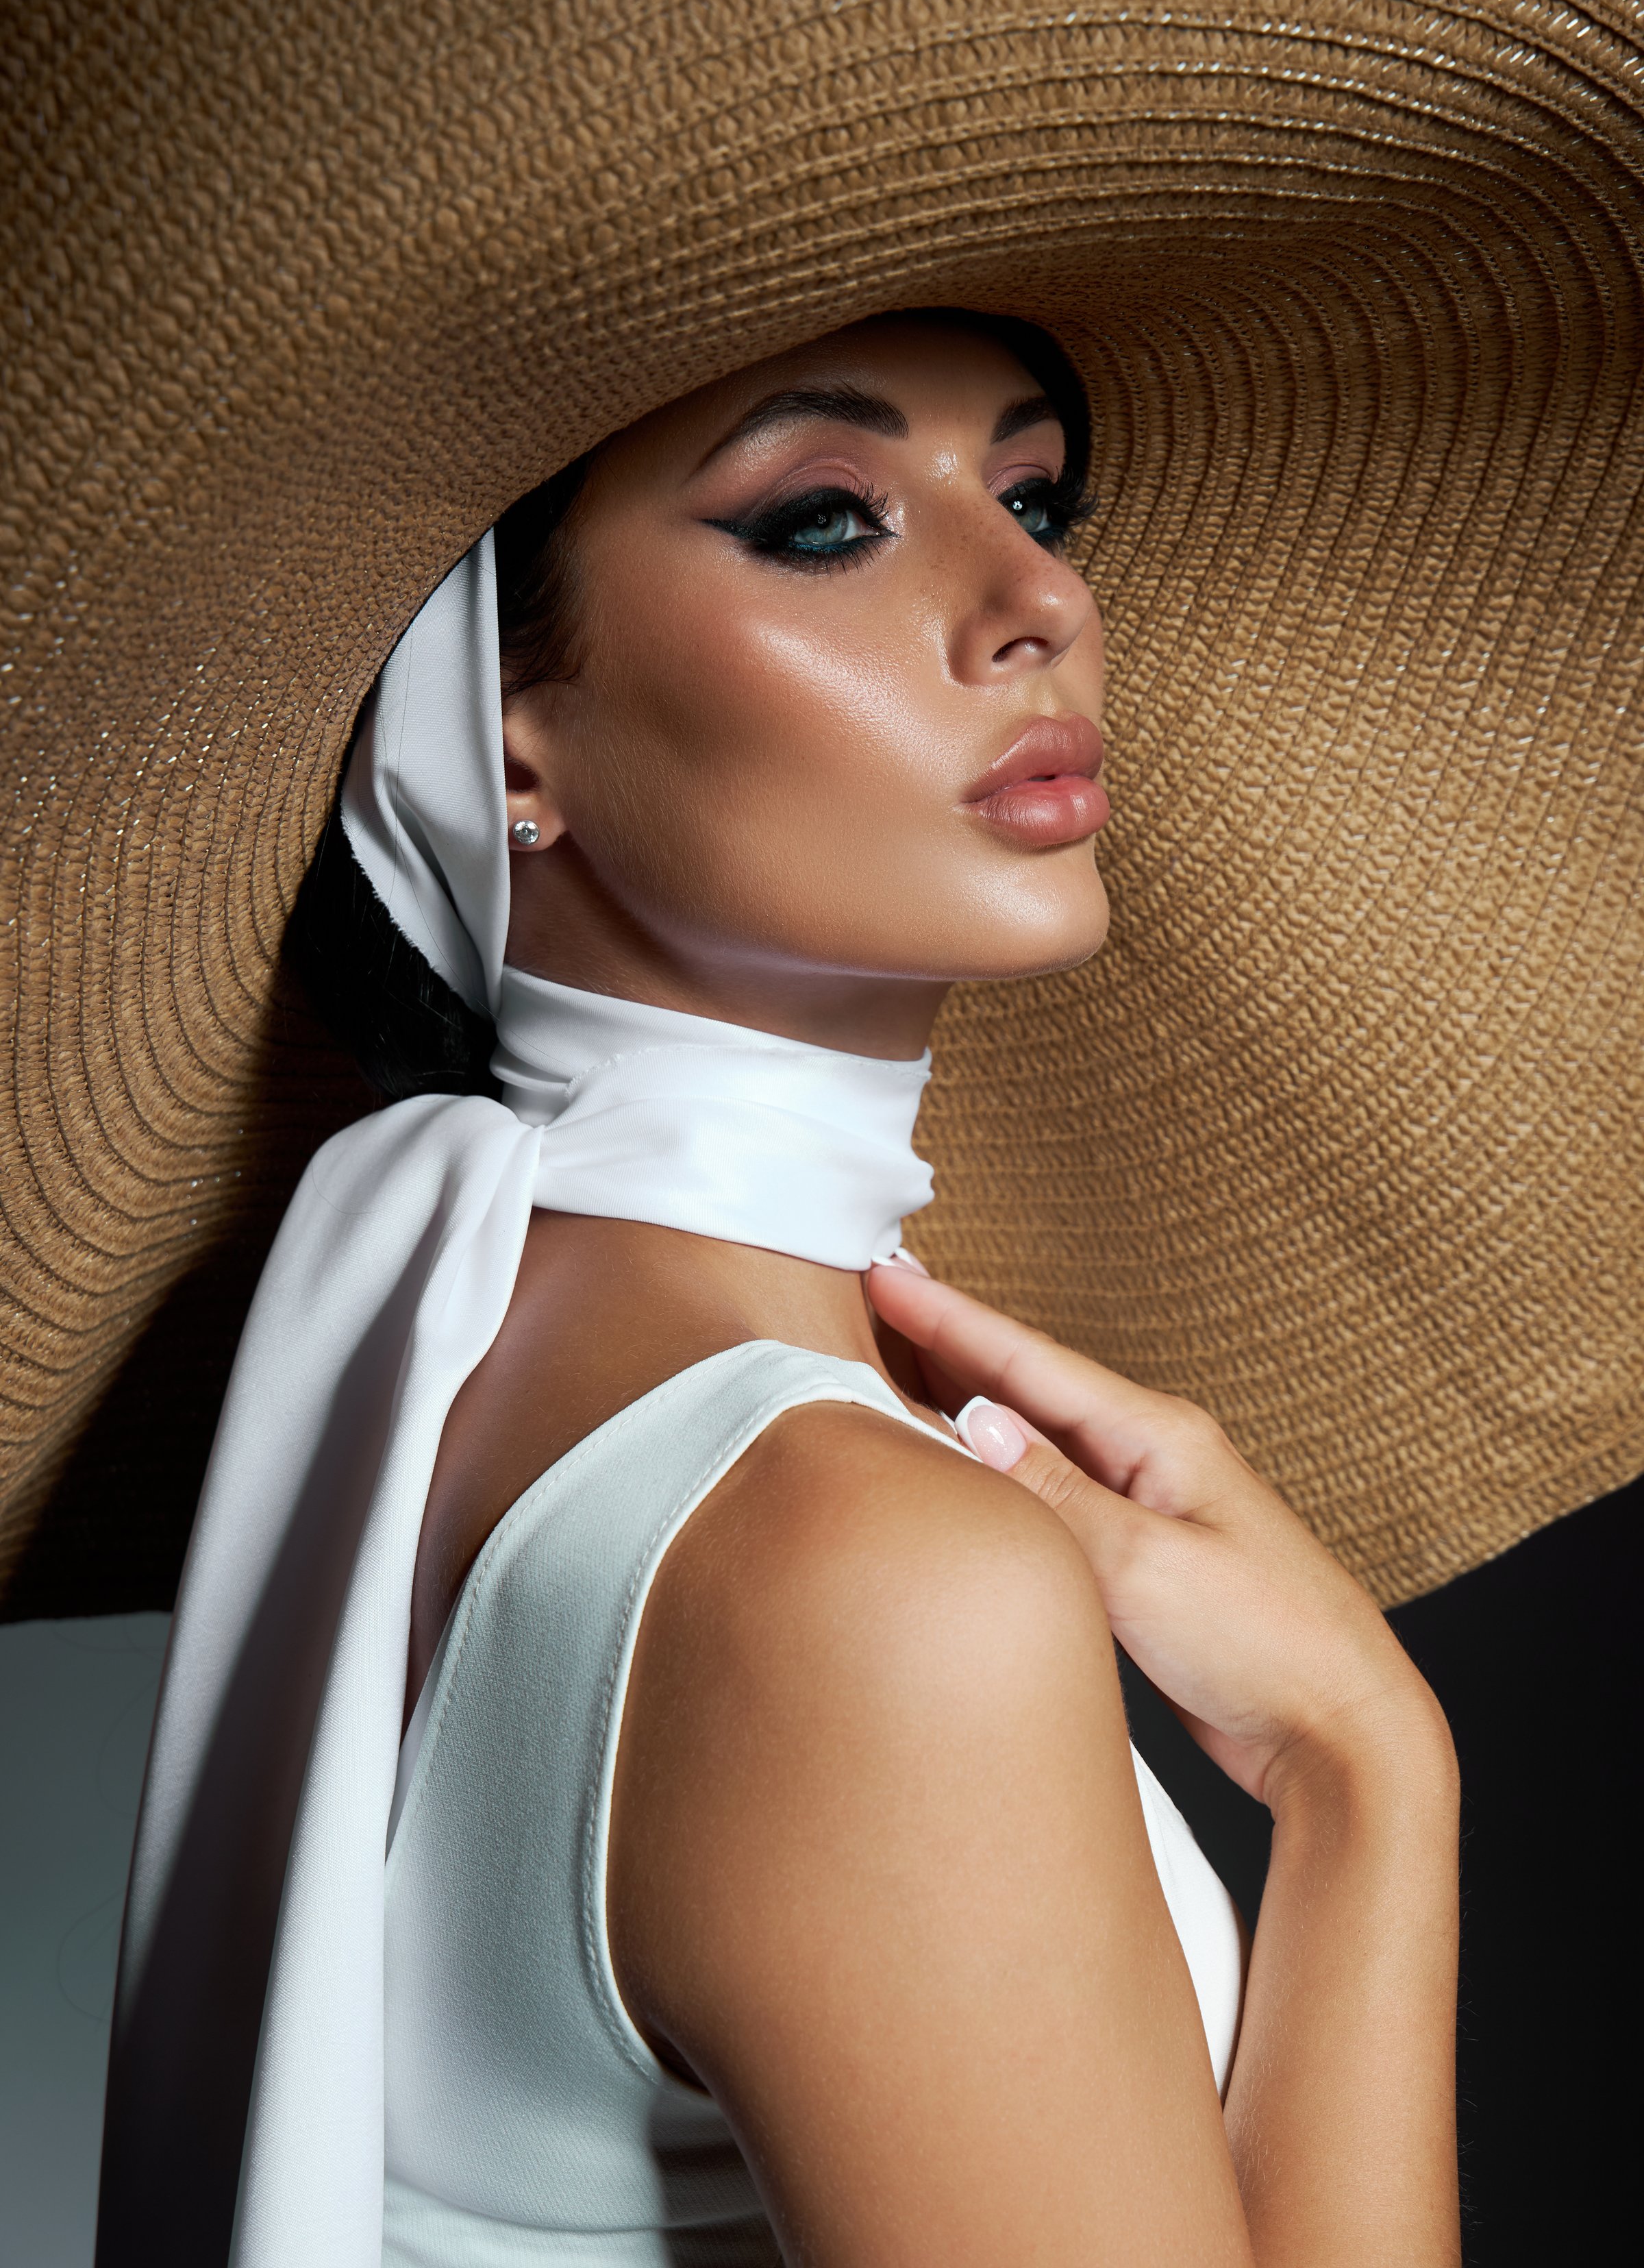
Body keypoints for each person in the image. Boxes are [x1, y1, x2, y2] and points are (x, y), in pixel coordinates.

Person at [100, 309, 1459, 2267]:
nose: (1043, 602)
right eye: (825, 519)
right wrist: (1363, 1773)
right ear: (506, 742)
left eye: (1032, 495)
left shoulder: (487, 1352)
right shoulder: (855, 1571)